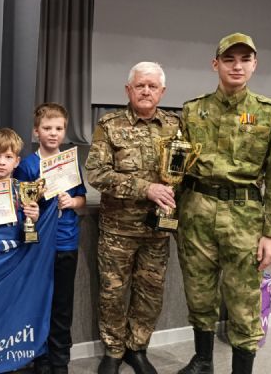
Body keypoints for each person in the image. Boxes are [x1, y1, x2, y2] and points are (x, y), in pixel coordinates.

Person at [176, 33, 271, 374]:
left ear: (255, 65)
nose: (237, 66)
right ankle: (203, 361)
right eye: (229, 59)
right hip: (196, 212)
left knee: (243, 301)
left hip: (244, 218)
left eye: (245, 59)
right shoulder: (193, 110)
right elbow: (177, 168)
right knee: (198, 293)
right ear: (216, 64)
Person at [85, 62, 179, 374]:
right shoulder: (109, 124)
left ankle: (137, 349)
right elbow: (96, 173)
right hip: (118, 230)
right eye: (140, 85)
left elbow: (183, 172)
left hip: (158, 230)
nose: (146, 91)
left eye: (153, 86)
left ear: (162, 91)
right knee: (112, 294)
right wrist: (145, 188)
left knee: (150, 294)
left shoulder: (175, 126)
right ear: (128, 90)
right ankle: (113, 351)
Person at [14, 103, 87, 374]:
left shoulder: (70, 162)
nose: (53, 133)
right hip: (38, 244)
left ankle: (60, 360)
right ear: (36, 131)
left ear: (65, 131)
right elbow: (20, 205)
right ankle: (41, 358)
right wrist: (36, 205)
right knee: (39, 302)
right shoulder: (27, 166)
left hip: (65, 242)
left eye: (59, 128)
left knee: (62, 305)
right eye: (47, 128)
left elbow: (82, 200)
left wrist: (72, 201)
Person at [0, 127, 39, 228]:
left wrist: (33, 217)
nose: (2, 162)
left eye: (8, 157)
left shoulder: (25, 190)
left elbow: (28, 229)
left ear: (17, 162)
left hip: (15, 238)